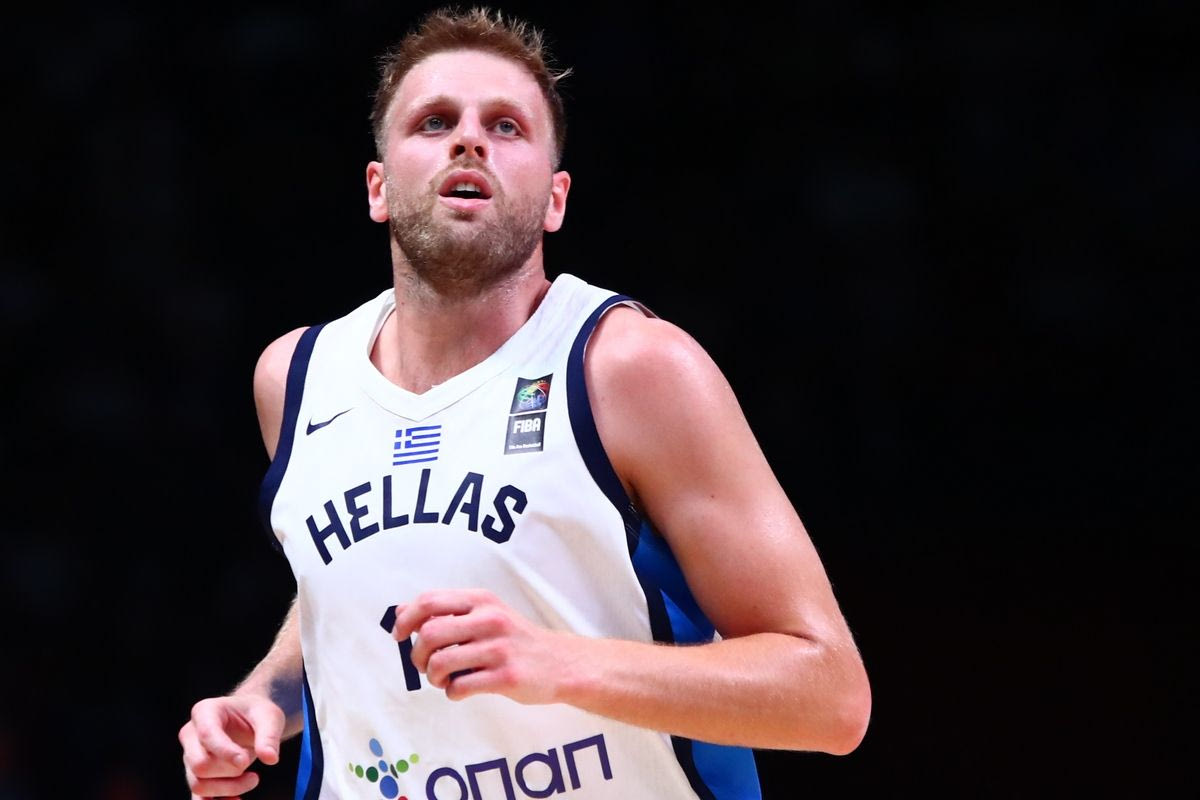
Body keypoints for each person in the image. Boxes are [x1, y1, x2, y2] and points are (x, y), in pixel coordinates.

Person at [178, 7, 871, 799]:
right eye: (435, 122)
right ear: (378, 187)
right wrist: (263, 700)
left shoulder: (631, 368)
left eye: (505, 126)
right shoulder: (297, 378)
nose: (468, 141)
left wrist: (562, 663)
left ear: (555, 199)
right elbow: (346, 585)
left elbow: (829, 696)